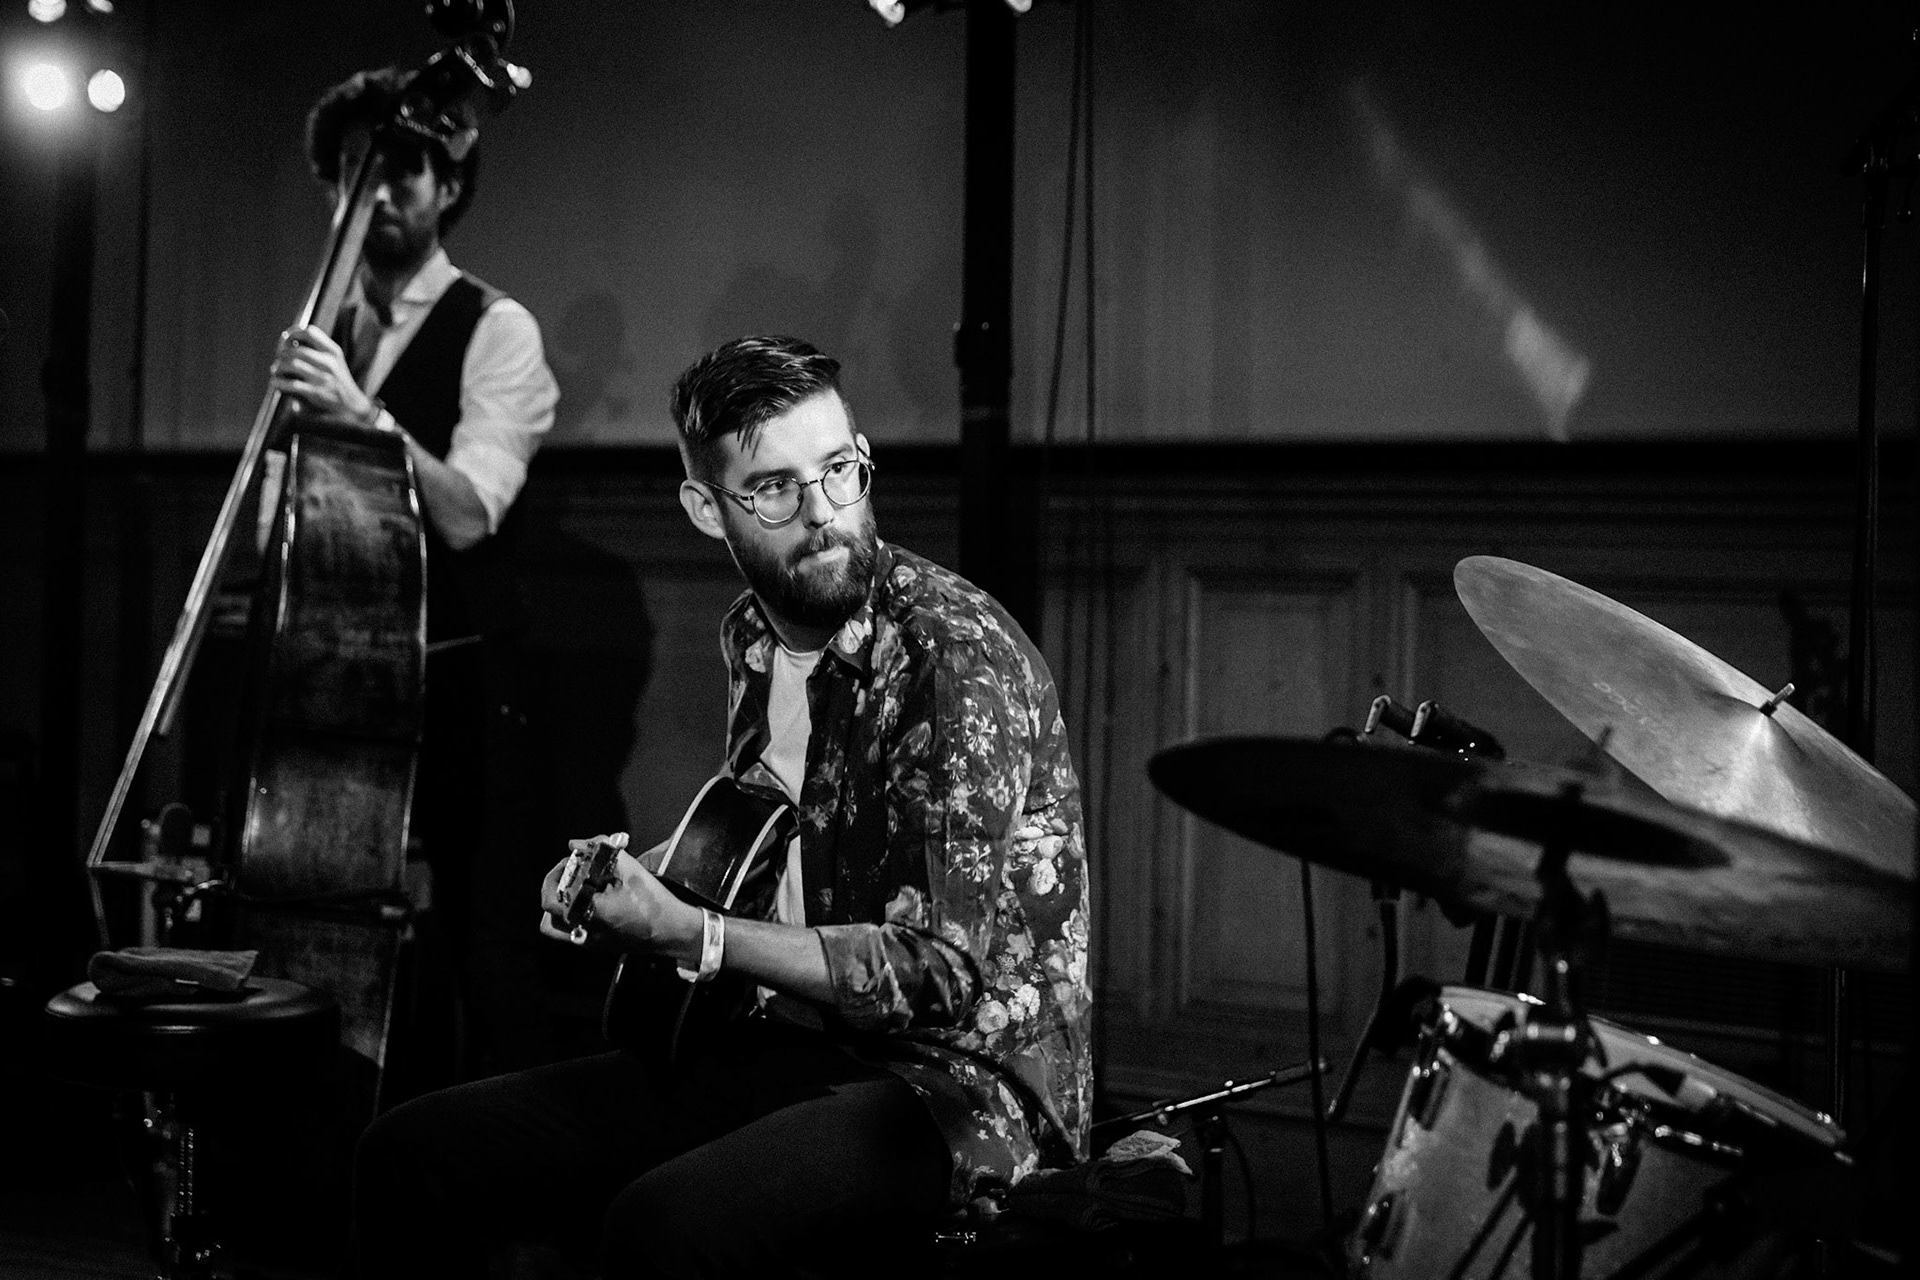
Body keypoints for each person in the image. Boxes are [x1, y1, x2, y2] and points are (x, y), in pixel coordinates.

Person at [351, 335, 1093, 1278]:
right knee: (412, 1155)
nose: (824, 513)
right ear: (707, 509)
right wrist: (641, 875)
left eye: (839, 471)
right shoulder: (752, 633)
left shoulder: (951, 662)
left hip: (958, 1089)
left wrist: (695, 936)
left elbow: (936, 975)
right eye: (774, 488)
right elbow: (765, 832)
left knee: (667, 1228)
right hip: (784, 1038)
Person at [264, 66, 561, 1078]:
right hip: (335, 683)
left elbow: (472, 511)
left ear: (447, 187)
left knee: (483, 942)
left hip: (458, 680)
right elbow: (281, 513)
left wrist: (360, 414)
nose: (375, 196)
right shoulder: (326, 324)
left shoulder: (497, 327)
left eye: (400, 173)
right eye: (352, 175)